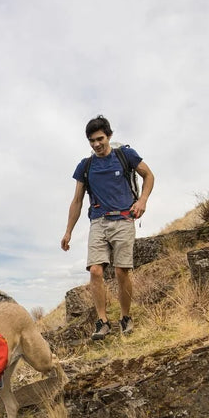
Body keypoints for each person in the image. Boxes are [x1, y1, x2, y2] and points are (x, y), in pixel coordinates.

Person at [61, 115, 155, 340]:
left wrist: (142, 201)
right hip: (98, 222)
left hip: (123, 219)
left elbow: (148, 175)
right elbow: (77, 201)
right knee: (95, 270)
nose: (96, 144)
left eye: (100, 139)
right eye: (91, 141)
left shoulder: (125, 155)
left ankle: (125, 317)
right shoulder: (85, 166)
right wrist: (68, 231)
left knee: (122, 271)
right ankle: (102, 321)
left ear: (109, 136)